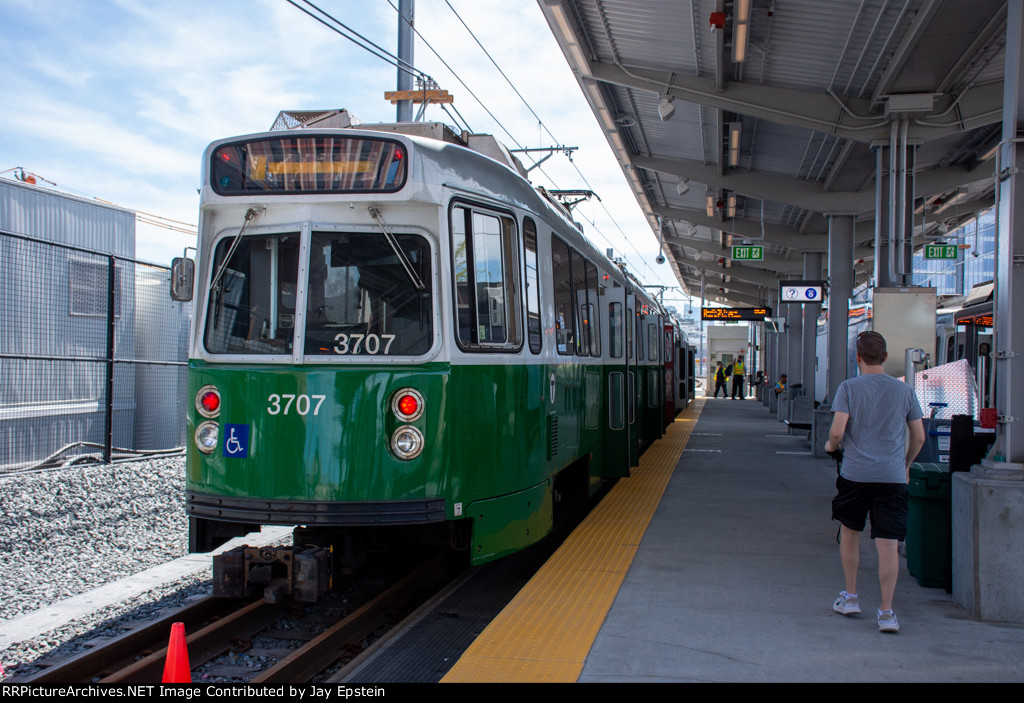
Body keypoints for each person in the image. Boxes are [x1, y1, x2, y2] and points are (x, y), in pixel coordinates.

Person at [824, 331, 925, 634]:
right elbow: (919, 436)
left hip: (855, 475)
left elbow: (838, 431)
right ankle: (887, 613)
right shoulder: (904, 391)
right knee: (888, 545)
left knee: (850, 534)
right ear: (885, 357)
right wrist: (904, 465)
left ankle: (851, 597)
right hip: (892, 478)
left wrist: (831, 446)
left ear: (857, 357)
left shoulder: (848, 388)